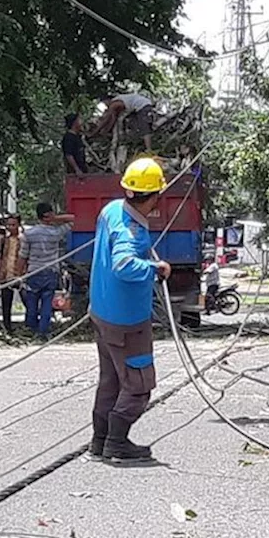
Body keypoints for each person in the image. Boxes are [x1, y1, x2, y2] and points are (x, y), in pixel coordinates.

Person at [87, 158, 171, 466]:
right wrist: (155, 268)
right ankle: (117, 443)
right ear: (154, 196)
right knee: (137, 384)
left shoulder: (111, 210)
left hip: (101, 312)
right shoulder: (132, 231)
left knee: (110, 380)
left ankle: (100, 441)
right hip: (127, 321)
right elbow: (123, 264)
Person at [18, 202, 75, 339]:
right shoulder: (56, 233)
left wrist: (19, 274)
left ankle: (31, 330)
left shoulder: (29, 233)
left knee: (31, 303)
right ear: (48, 215)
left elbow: (23, 256)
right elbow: (73, 219)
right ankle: (42, 332)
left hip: (34, 272)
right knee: (46, 304)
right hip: (51, 272)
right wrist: (54, 218)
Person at [0, 215, 23, 332]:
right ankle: (7, 328)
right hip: (5, 275)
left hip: (21, 276)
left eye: (13, 225)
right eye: (8, 225)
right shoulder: (4, 240)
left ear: (19, 225)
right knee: (5, 304)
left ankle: (29, 326)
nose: (10, 227)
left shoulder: (23, 239)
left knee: (27, 301)